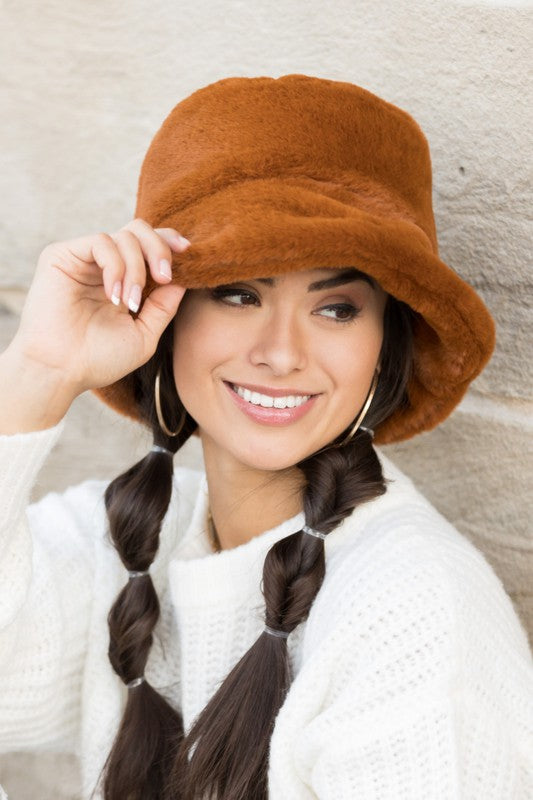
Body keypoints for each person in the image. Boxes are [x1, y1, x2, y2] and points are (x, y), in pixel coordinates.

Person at [0, 74, 531, 800]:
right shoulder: (126, 546)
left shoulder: (415, 613)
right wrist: (36, 371)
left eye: (337, 308)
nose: (281, 353)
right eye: (238, 293)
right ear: (165, 312)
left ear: (384, 346)